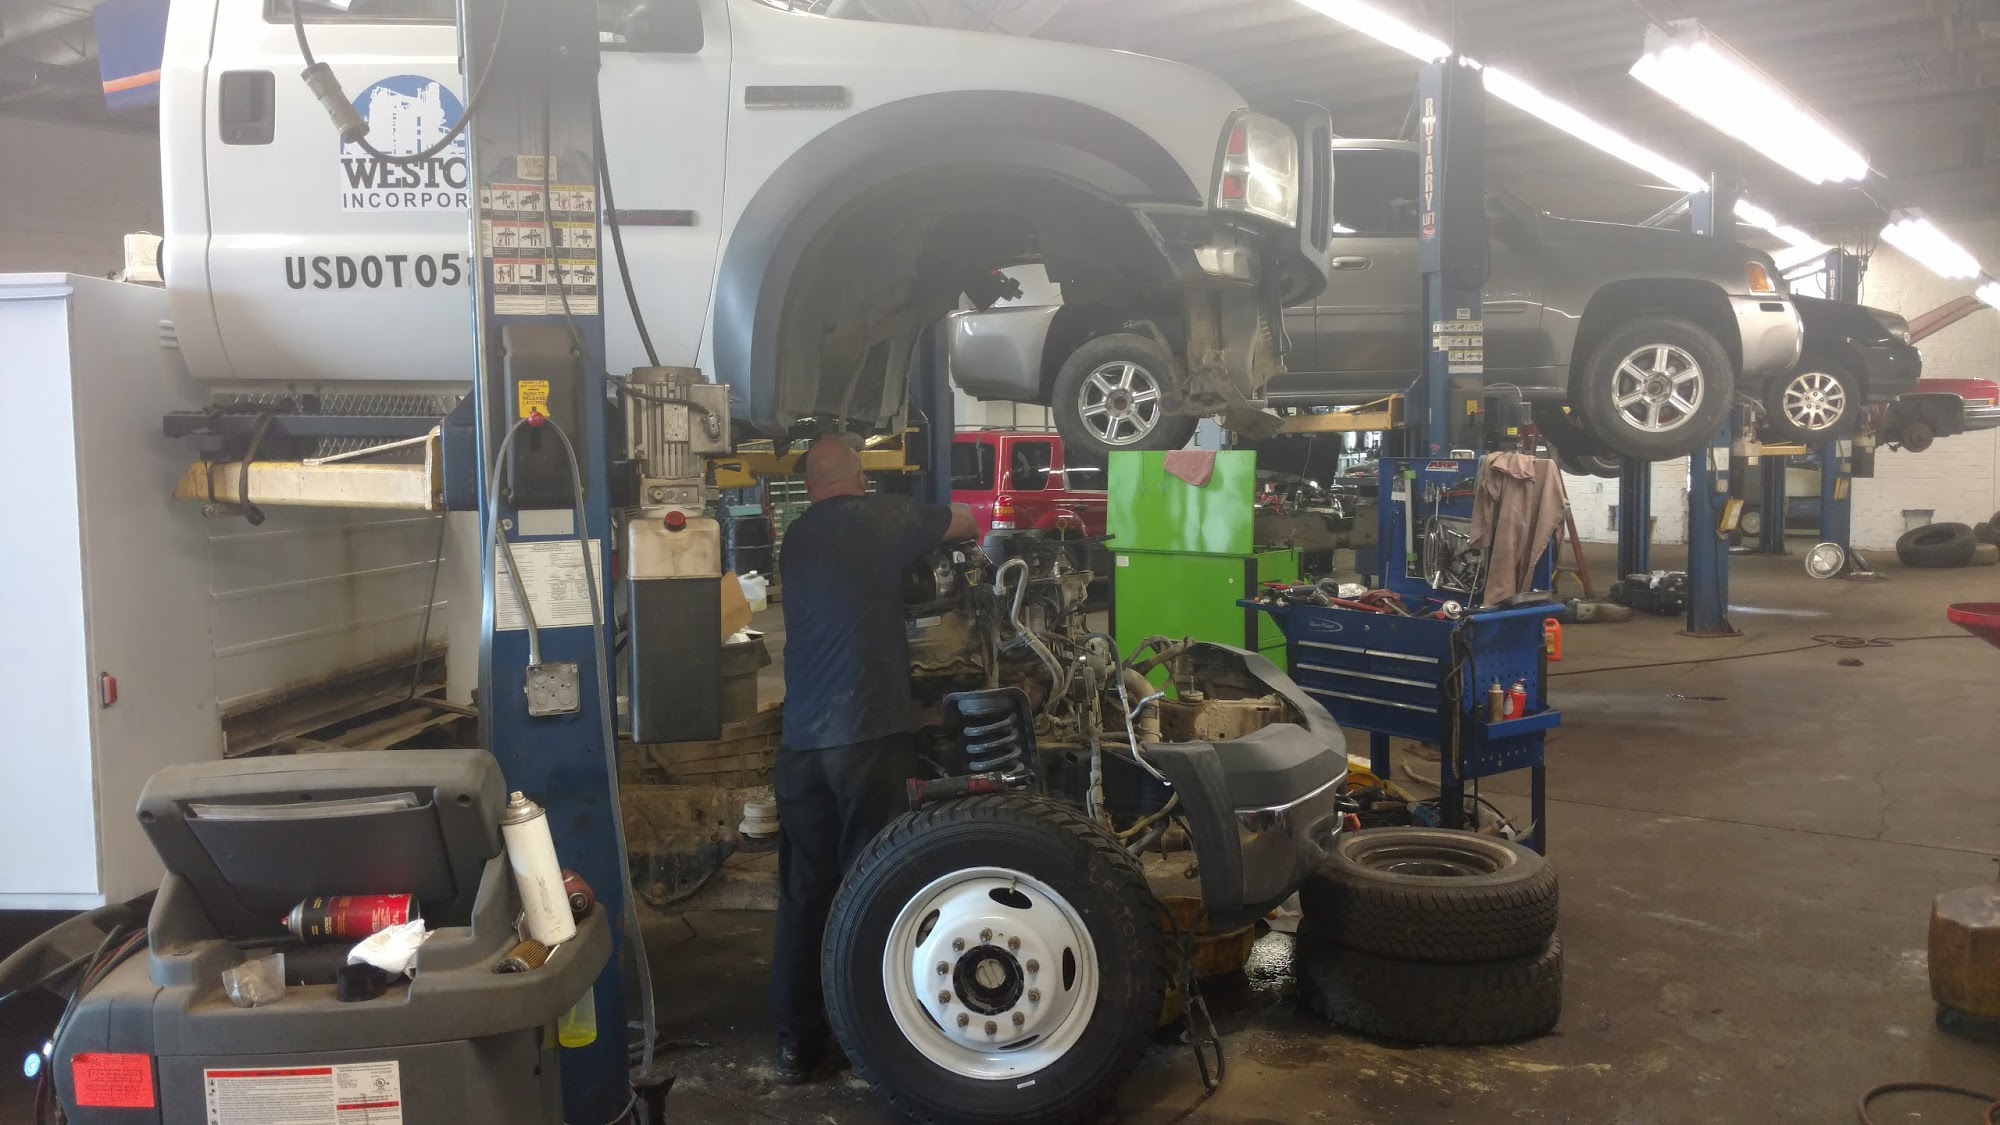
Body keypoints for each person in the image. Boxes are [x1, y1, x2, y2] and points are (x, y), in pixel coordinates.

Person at [768, 436, 976, 1084]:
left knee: (807, 893)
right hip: (866, 737)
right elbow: (967, 521)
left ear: (809, 489)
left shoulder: (796, 537)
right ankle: (874, 1041)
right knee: (876, 889)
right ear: (860, 479)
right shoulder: (881, 516)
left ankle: (798, 1047)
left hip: (802, 744)